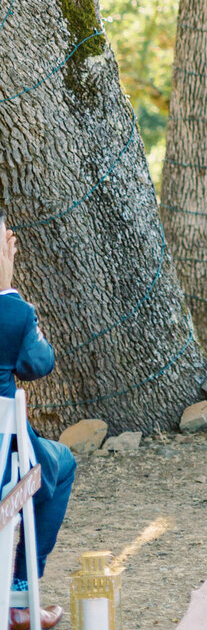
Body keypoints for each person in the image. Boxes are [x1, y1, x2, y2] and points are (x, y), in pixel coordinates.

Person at [0, 225, 74, 629]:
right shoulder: (13, 313)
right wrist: (7, 289)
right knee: (60, 464)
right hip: (4, 476)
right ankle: (19, 596)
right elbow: (39, 364)